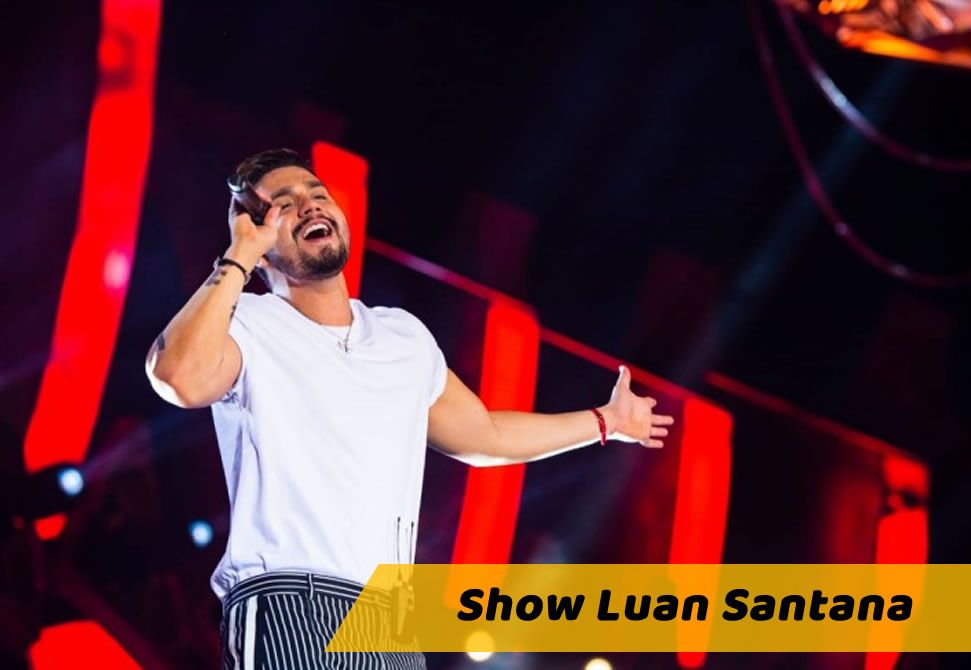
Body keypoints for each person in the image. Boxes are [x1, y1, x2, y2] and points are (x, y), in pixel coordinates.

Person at [145, 148, 674, 669]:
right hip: (291, 600)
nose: (308, 205)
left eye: (317, 194)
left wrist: (606, 421)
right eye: (284, 203)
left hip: (390, 625)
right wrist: (238, 255)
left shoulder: (401, 337)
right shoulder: (246, 322)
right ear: (258, 238)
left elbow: (486, 435)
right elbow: (179, 377)